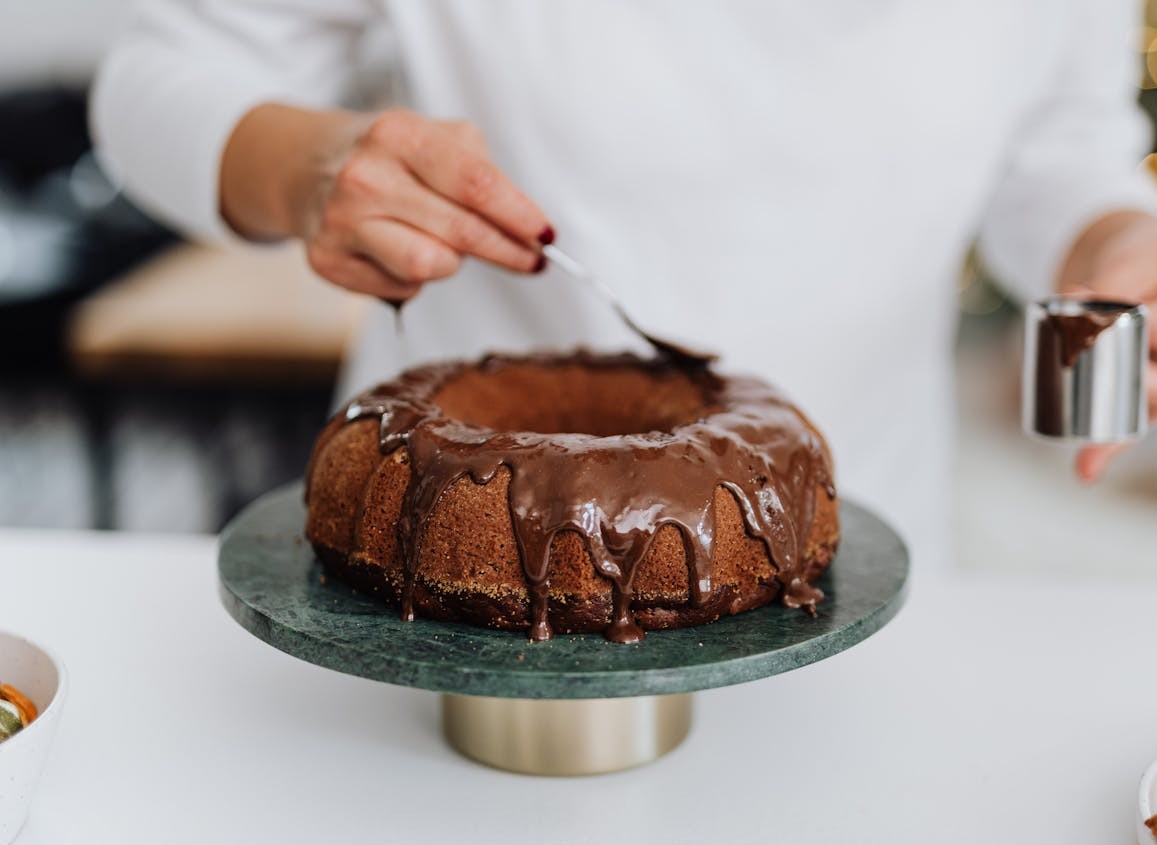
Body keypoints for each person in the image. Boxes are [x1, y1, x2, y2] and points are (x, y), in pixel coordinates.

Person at [92, 1, 1157, 569]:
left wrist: (1110, 239)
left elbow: (1056, 149)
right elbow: (157, 76)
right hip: (454, 558)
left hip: (862, 534)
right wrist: (304, 166)